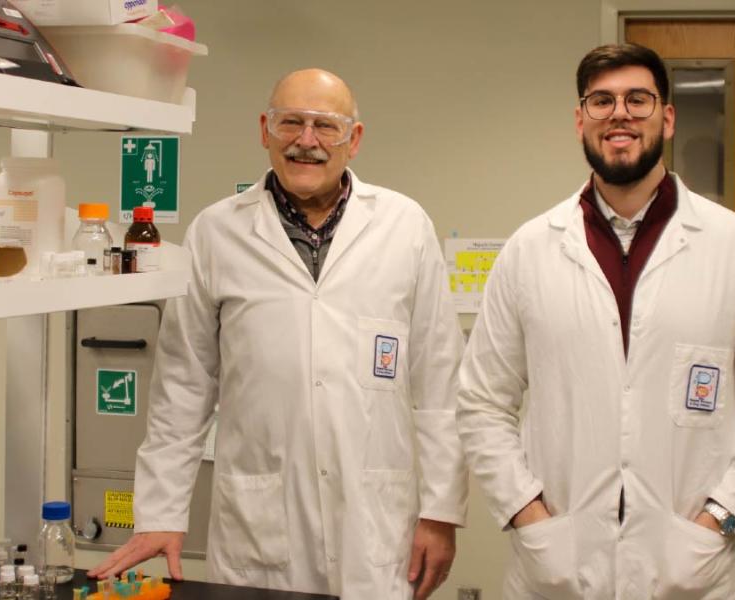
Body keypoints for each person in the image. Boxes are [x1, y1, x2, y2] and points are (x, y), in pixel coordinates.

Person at [89, 68, 468, 600]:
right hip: (260, 522)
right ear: (265, 130)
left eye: (325, 126)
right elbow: (183, 386)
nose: (306, 141)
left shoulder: (404, 226)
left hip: (376, 522)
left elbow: (440, 383)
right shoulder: (217, 232)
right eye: (290, 122)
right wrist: (161, 511)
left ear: (353, 140)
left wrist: (441, 511)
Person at [457, 43, 735, 599]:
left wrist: (721, 519)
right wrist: (527, 516)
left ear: (667, 118)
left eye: (638, 99)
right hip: (556, 568)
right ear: (580, 119)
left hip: (694, 569)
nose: (619, 113)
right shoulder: (530, 250)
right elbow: (482, 401)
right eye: (601, 101)